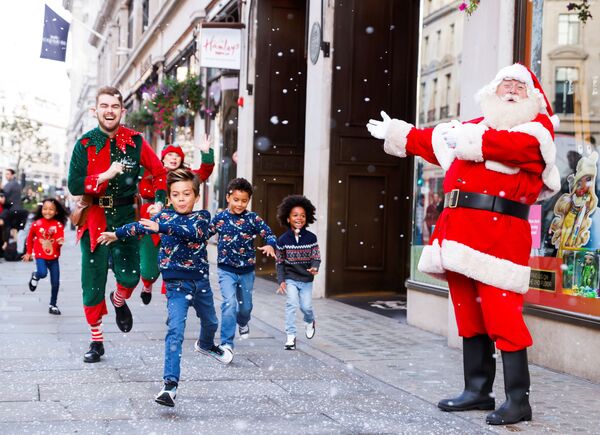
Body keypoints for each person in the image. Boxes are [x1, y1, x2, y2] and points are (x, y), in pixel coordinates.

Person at [367, 63, 561, 425]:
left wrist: (470, 142)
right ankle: (478, 390)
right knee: (470, 317)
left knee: (504, 320)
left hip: (499, 239)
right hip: (458, 236)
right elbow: (434, 139)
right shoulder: (473, 126)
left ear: (532, 96)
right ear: (491, 89)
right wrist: (399, 133)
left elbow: (514, 147)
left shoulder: (537, 131)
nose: (512, 89)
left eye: (520, 86)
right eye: (505, 82)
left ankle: (519, 400)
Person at [98, 168, 232, 407]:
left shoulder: (201, 217)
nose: (181, 199)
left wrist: (161, 228)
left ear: (196, 196)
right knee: (175, 331)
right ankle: (169, 386)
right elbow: (139, 226)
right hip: (176, 285)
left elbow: (195, 235)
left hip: (200, 282)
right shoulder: (163, 217)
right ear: (169, 198)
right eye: (176, 194)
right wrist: (117, 234)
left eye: (186, 194)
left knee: (211, 322)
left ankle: (206, 344)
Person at [67, 86, 167, 363]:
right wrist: (103, 175)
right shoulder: (84, 144)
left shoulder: (135, 141)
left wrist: (159, 200)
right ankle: (96, 340)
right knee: (93, 281)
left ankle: (120, 300)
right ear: (95, 110)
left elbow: (159, 172)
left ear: (123, 111)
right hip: (95, 218)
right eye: (104, 106)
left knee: (130, 277)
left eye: (114, 106)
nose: (109, 111)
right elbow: (75, 184)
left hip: (125, 218)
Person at [137, 134, 215, 304]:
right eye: (170, 155)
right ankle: (147, 284)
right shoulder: (148, 171)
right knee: (149, 269)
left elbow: (204, 172)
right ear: (162, 158)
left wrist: (206, 152)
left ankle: (173, 301)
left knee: (173, 262)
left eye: (177, 155)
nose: (173, 158)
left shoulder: (185, 176)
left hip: (176, 222)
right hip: (150, 218)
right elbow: (132, 166)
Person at [208, 177, 277, 354]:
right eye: (236, 200)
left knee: (245, 307)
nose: (239, 204)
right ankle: (226, 344)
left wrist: (270, 244)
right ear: (228, 198)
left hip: (246, 271)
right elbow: (204, 235)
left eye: (244, 201)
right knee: (229, 304)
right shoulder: (220, 218)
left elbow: (269, 234)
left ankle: (243, 321)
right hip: (226, 270)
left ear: (249, 200)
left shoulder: (253, 219)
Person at [275, 195, 320, 350]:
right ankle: (290, 336)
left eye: (302, 215)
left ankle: (309, 321)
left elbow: (316, 257)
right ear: (288, 218)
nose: (299, 218)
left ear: (306, 218)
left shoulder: (311, 238)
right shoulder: (282, 240)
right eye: (295, 215)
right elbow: (280, 262)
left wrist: (314, 267)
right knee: (291, 304)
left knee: (306, 307)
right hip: (291, 278)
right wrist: (281, 280)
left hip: (306, 279)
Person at [22, 198, 67, 315]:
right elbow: (29, 239)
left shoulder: (58, 225)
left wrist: (59, 242)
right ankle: (35, 275)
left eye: (51, 209)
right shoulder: (37, 224)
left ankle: (53, 305)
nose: (48, 211)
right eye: (45, 209)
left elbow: (59, 240)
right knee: (42, 273)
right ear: (41, 210)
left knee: (56, 283)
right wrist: (28, 252)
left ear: (56, 212)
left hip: (54, 258)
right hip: (40, 256)